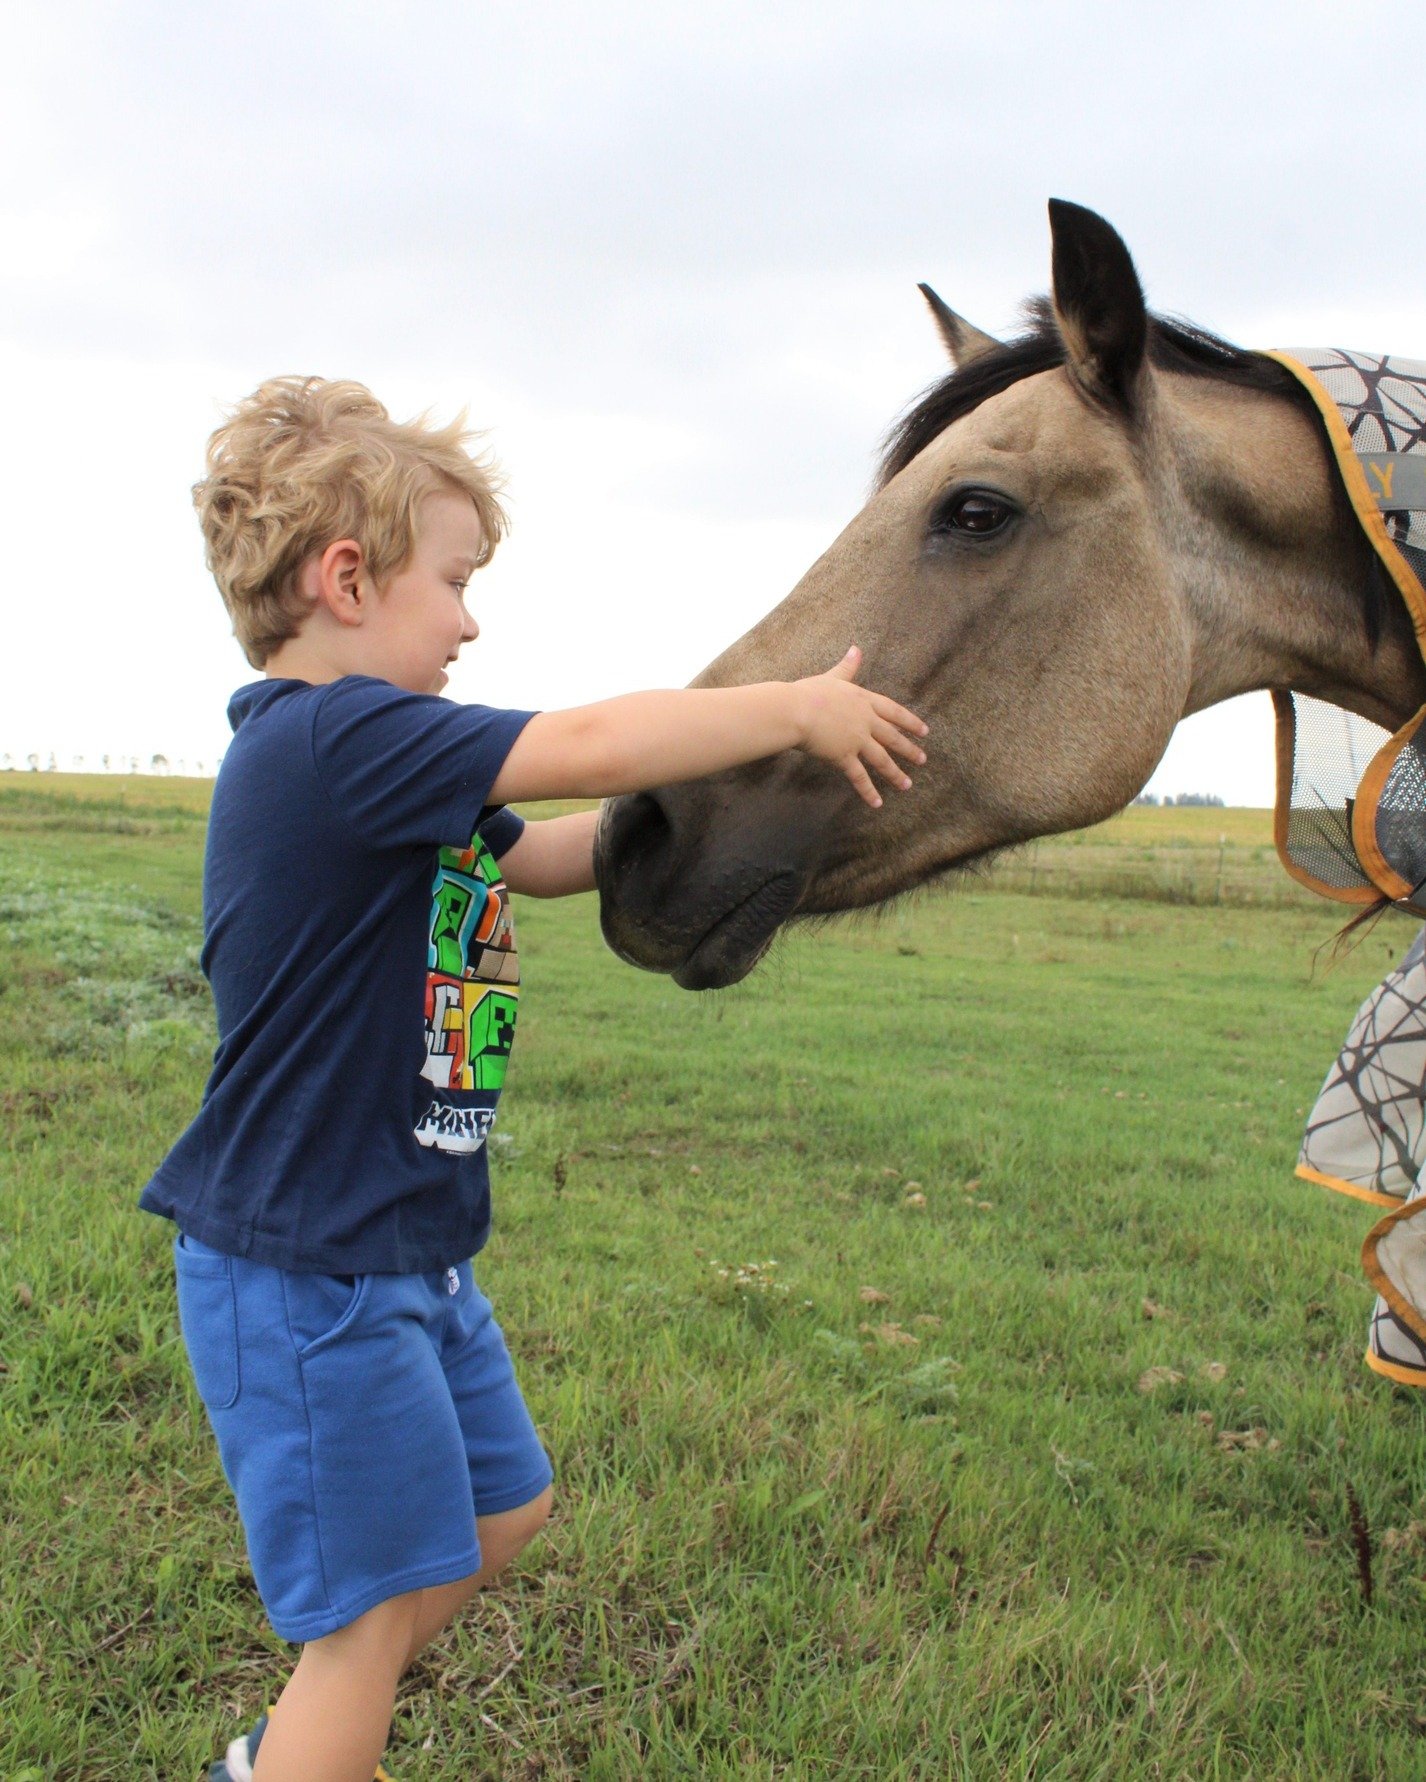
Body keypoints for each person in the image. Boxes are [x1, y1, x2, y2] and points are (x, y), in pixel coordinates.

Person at [141, 376, 928, 1782]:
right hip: (307, 1266)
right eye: (452, 583)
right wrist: (788, 710)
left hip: (408, 1247)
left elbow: (550, 846)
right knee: (368, 1623)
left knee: (504, 1508)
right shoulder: (332, 742)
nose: (468, 620)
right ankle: (313, 1739)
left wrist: (724, 835)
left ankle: (314, 1728)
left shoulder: (391, 774)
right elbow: (590, 741)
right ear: (346, 578)